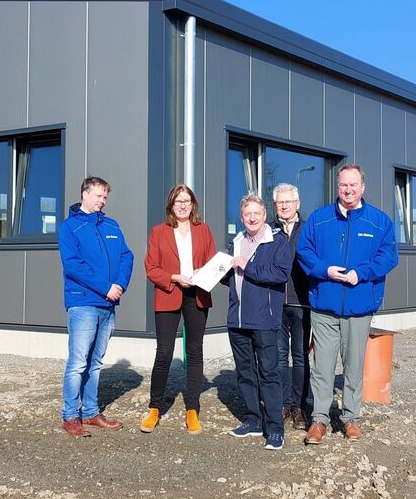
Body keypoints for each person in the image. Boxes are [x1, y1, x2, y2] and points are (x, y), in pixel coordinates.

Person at [296, 164, 399, 444]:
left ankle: (351, 418)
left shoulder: (379, 221)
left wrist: (361, 272)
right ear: (337, 187)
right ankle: (319, 420)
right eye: (343, 185)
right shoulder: (319, 220)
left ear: (363, 187)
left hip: (359, 305)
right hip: (325, 304)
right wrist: (323, 270)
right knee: (323, 366)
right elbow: (304, 251)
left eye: (353, 185)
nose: (348, 190)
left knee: (353, 366)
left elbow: (388, 256)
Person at [58, 176, 134, 438]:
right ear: (85, 194)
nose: (103, 200)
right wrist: (105, 286)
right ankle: (70, 416)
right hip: (83, 303)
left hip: (108, 303)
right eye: (99, 196)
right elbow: (74, 265)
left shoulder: (111, 225)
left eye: (105, 197)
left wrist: (119, 284)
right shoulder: (70, 228)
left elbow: (127, 256)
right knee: (78, 362)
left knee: (95, 362)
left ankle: (90, 412)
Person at [140, 185, 217, 434]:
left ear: (193, 204)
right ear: (171, 206)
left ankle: (192, 409)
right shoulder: (159, 232)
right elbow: (151, 267)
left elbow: (213, 263)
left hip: (196, 294)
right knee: (164, 353)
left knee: (194, 352)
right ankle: (155, 408)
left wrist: (200, 273)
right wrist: (174, 276)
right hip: (168, 293)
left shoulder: (203, 230)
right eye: (178, 201)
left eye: (187, 201)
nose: (183, 205)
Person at [222, 194, 293, 450]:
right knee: (244, 374)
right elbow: (232, 277)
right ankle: (253, 420)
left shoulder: (276, 241)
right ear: (241, 217)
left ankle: (275, 429)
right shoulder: (237, 241)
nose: (252, 218)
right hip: (237, 319)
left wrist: (247, 266)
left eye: (257, 214)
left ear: (264, 216)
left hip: (264, 318)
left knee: (269, 374)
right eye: (247, 214)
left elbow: (281, 273)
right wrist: (216, 271)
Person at [272, 183, 312, 431]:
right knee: (278, 357)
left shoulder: (308, 230)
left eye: (289, 201)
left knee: (300, 357)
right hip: (275, 302)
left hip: (301, 302)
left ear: (297, 204)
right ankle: (282, 404)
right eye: (279, 202)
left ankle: (299, 406)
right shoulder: (268, 230)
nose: (284, 206)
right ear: (275, 205)